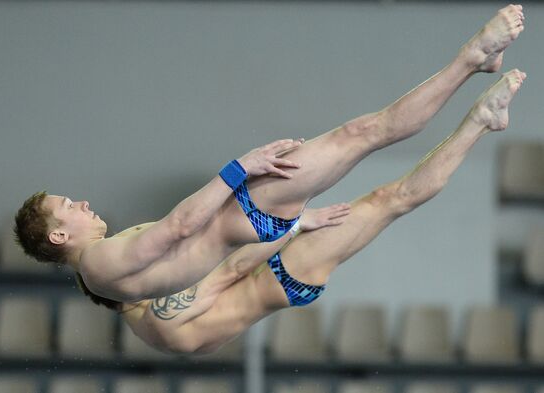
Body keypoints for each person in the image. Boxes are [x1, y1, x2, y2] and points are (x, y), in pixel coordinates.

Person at [14, 5, 525, 303]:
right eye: (68, 207)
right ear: (59, 236)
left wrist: (294, 227)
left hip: (254, 226)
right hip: (247, 212)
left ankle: (478, 99)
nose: (81, 203)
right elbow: (178, 229)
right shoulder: (99, 262)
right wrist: (242, 167)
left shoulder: (101, 271)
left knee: (382, 171)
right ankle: (473, 60)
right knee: (365, 133)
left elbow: (195, 256)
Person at [77, 69, 526, 355]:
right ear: (117, 291)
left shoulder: (148, 321)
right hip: (281, 273)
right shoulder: (160, 315)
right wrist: (294, 224)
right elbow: (231, 268)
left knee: (389, 201)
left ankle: (481, 122)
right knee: (391, 200)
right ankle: (480, 120)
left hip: (274, 274)